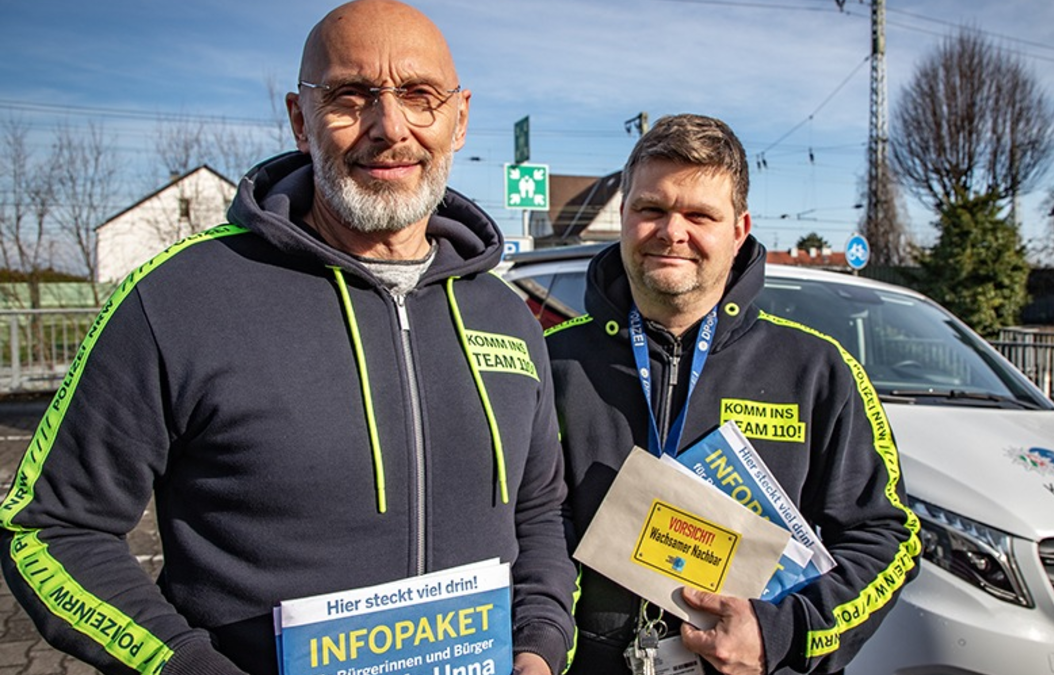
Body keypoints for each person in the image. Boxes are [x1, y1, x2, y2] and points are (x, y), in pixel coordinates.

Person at [0, 2, 574, 674]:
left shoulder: (506, 314)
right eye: (350, 96)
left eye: (420, 96)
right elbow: (48, 530)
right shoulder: (177, 299)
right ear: (301, 120)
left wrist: (539, 646)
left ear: (460, 118)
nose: (390, 128)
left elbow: (538, 511)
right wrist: (186, 665)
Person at [546, 114, 921, 675]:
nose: (673, 232)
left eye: (700, 214)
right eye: (651, 209)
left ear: (739, 228)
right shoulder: (549, 363)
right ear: (623, 216)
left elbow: (888, 538)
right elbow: (519, 529)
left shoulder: (817, 370)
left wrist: (782, 634)